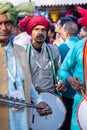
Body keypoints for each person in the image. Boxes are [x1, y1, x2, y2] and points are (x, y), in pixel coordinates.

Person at [0, 2, 52, 130]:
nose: (4, 28)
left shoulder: (20, 50)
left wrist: (38, 100)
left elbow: (27, 84)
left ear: (13, 27)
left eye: (7, 23)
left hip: (21, 118)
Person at [57, 20, 79, 130]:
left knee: (66, 125)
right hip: (82, 95)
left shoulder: (61, 48)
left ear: (65, 33)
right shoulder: (82, 46)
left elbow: (58, 70)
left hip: (66, 94)